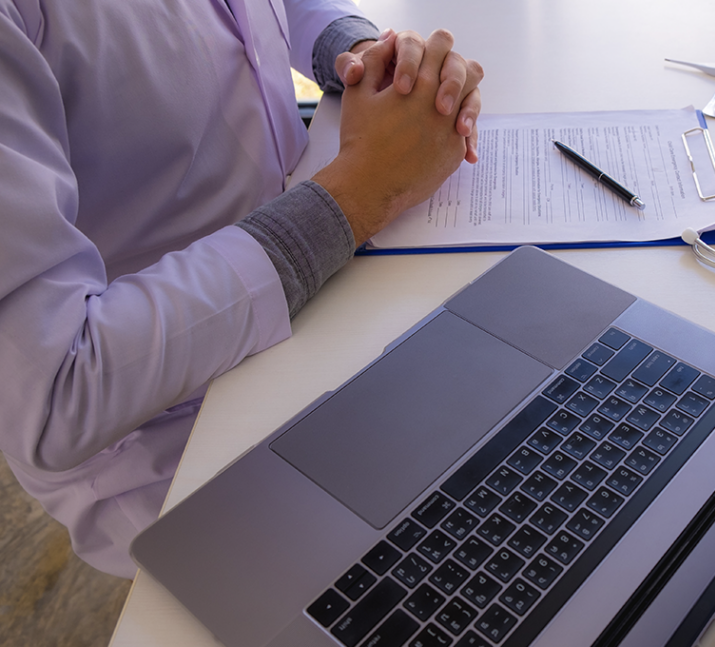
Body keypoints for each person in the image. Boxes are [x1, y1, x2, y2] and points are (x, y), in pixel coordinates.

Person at [0, 0, 483, 579]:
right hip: (175, 430)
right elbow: (53, 394)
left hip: (316, 281)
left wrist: (361, 56)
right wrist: (353, 199)